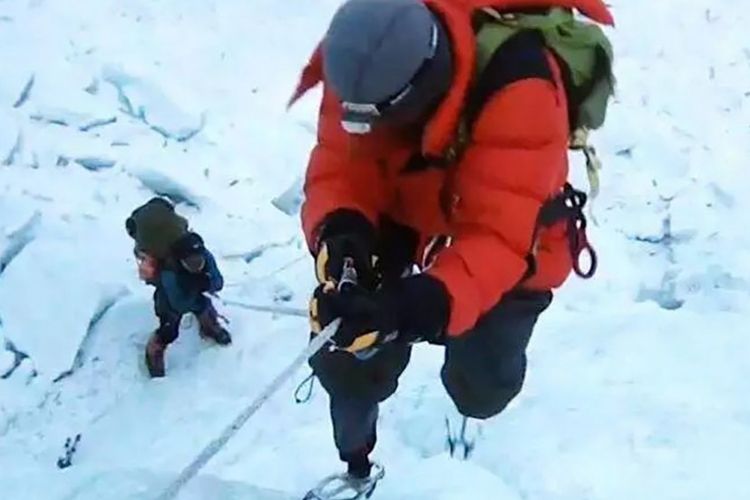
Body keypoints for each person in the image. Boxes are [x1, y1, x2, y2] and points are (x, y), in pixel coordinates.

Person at [290, 0, 614, 495]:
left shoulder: (522, 86)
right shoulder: (356, 65)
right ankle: (356, 463)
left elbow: (500, 238)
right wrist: (342, 237)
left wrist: (422, 304)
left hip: (515, 238)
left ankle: (472, 401)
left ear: (421, 89)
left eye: (375, 118)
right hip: (410, 208)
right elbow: (341, 163)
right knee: (348, 354)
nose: (358, 125)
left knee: (482, 386)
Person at [125, 197, 231, 378]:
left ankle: (209, 327)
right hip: (170, 296)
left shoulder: (205, 257)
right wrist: (194, 291)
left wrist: (206, 283)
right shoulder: (169, 272)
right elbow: (179, 303)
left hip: (185, 278)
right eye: (191, 264)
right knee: (169, 327)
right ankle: (154, 351)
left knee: (205, 306)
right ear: (181, 261)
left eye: (199, 262)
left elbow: (218, 282)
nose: (197, 265)